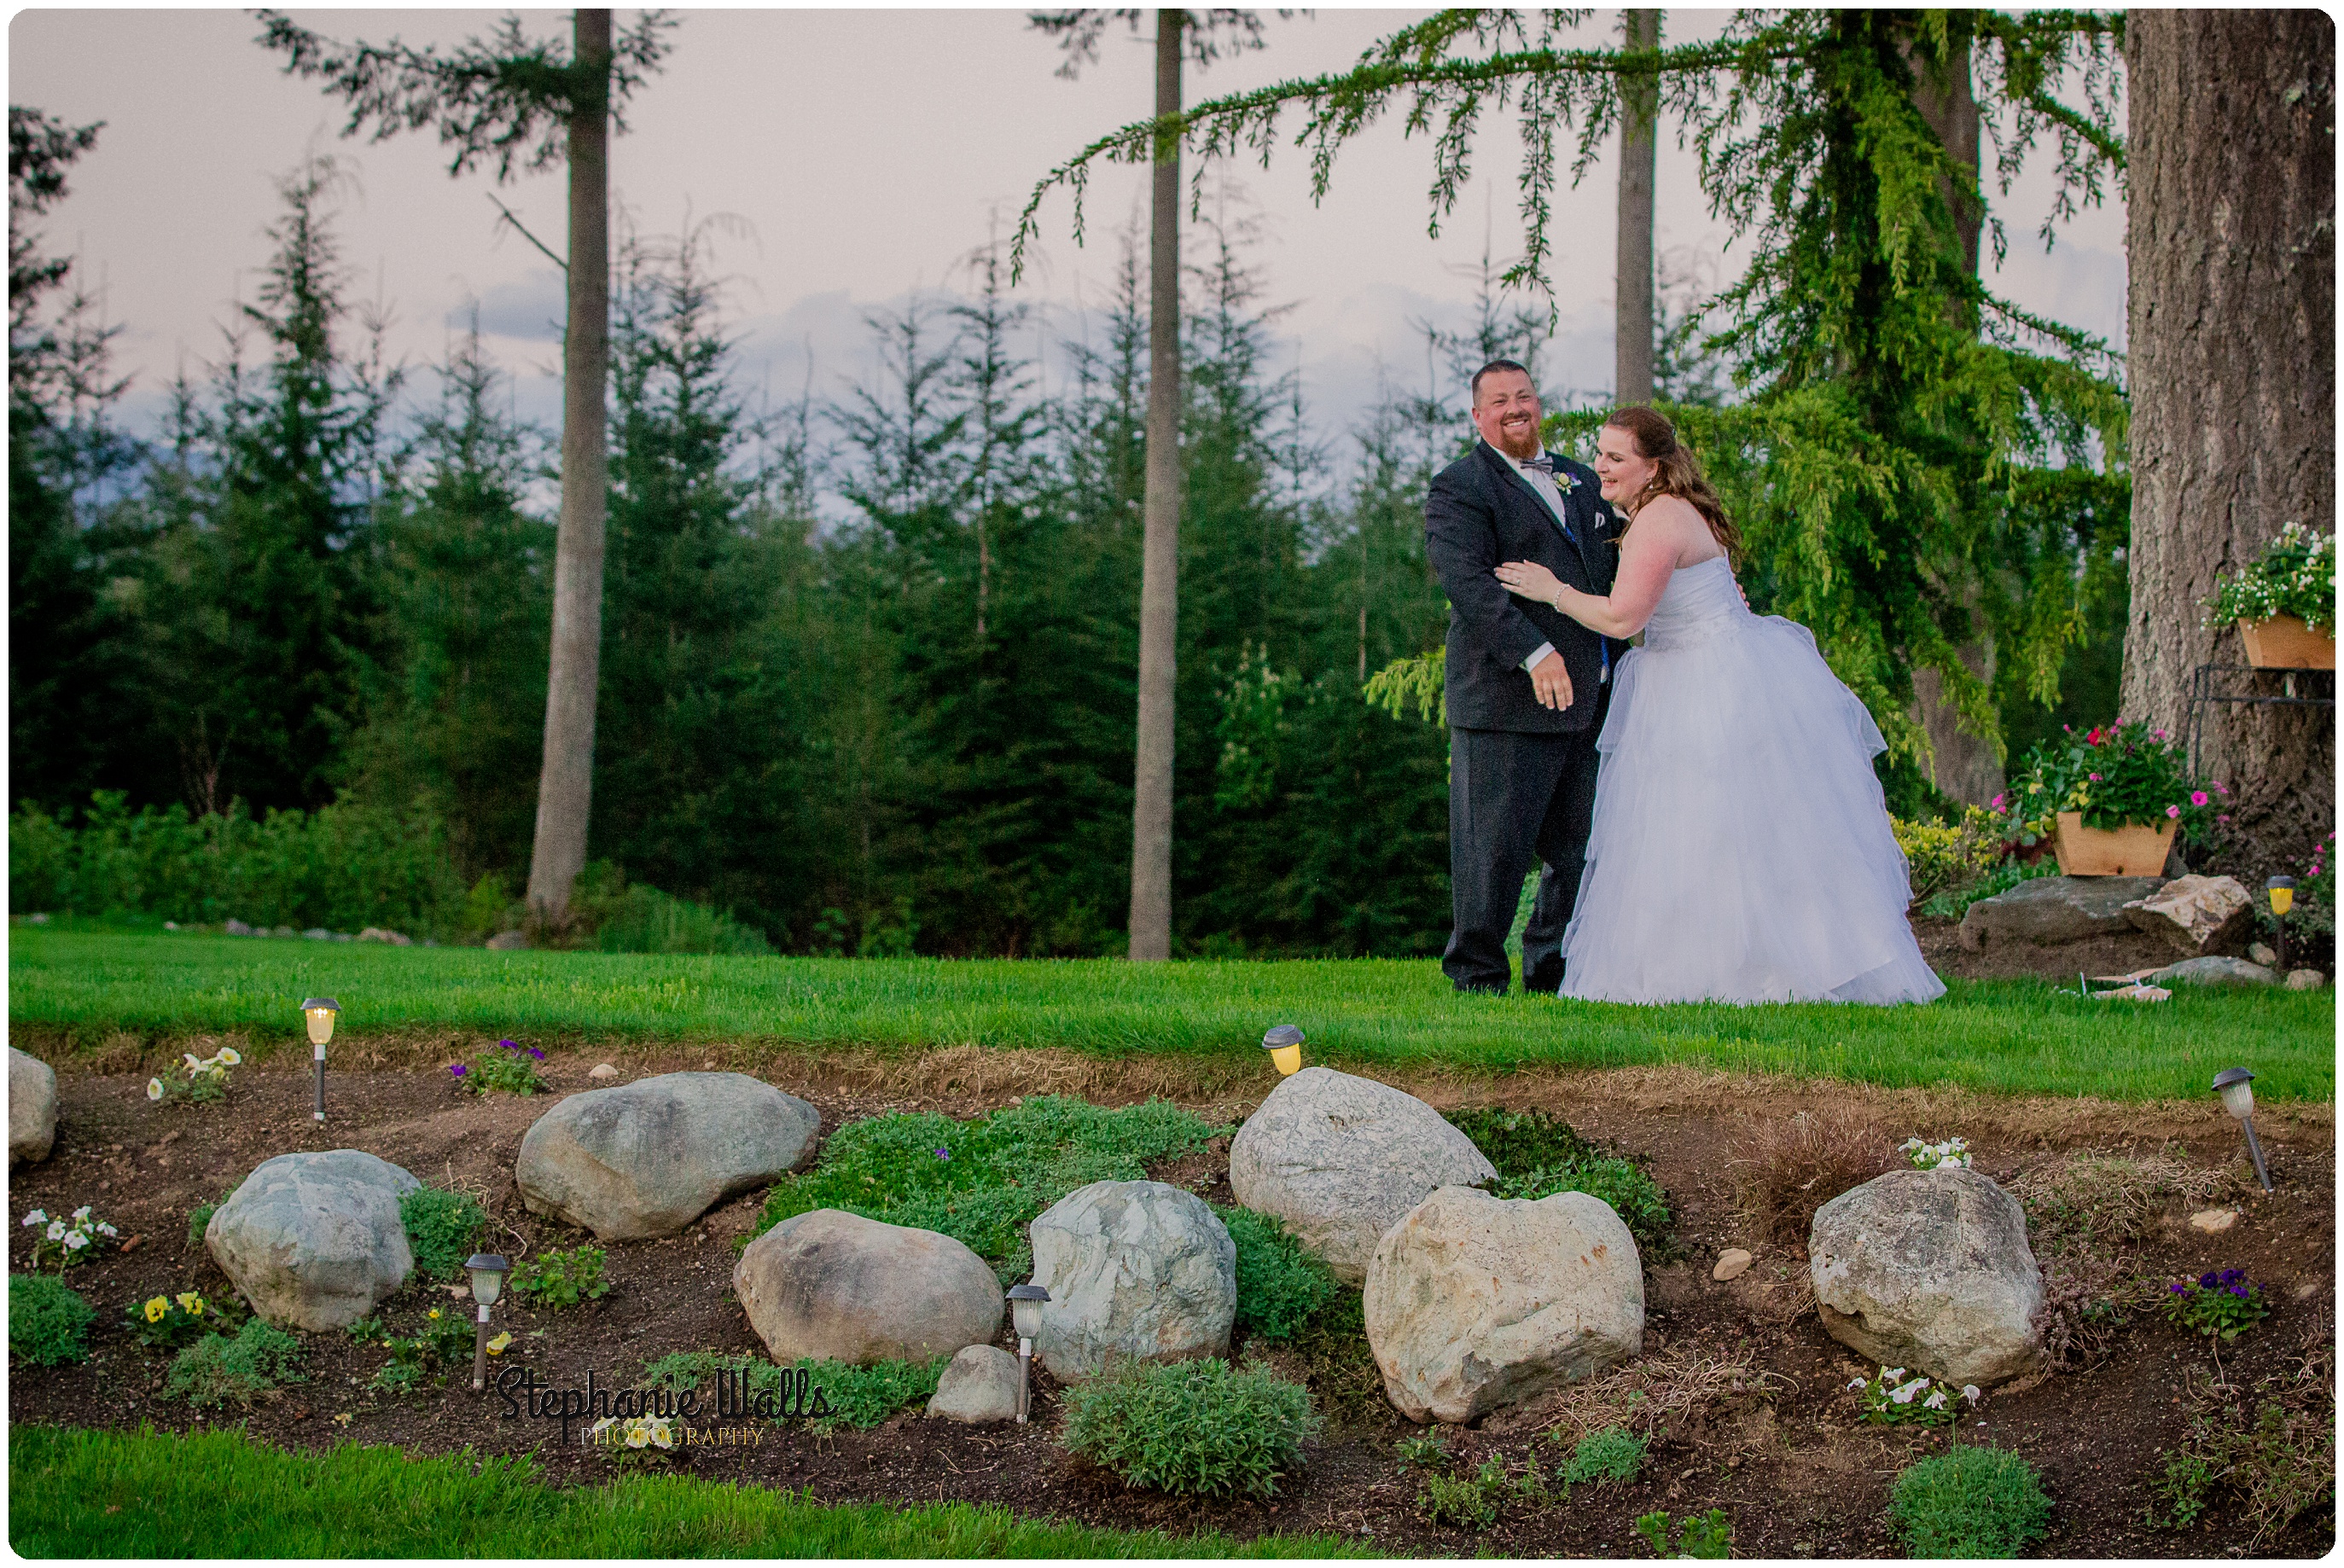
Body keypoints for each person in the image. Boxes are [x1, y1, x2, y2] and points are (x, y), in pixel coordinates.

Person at [1492, 406, 1945, 1005]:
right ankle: (1752, 966)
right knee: (1729, 831)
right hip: (1719, 665)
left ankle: (1730, 974)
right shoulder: (1673, 509)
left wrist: (1552, 590)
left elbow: (1624, 617)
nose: (1600, 466)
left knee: (1702, 827)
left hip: (1701, 682)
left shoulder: (1657, 521)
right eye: (1599, 453)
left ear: (1652, 466)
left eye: (1615, 458)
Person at [1423, 360, 1631, 994]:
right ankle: (1477, 980)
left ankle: (1553, 973)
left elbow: (1631, 551)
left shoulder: (1579, 477)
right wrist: (1533, 651)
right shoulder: (1459, 487)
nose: (1515, 408)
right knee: (1493, 856)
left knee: (1579, 852)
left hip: (1593, 701)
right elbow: (1469, 586)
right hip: (1505, 701)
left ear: (1538, 405)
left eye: (1524, 396)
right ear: (1477, 416)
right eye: (1499, 400)